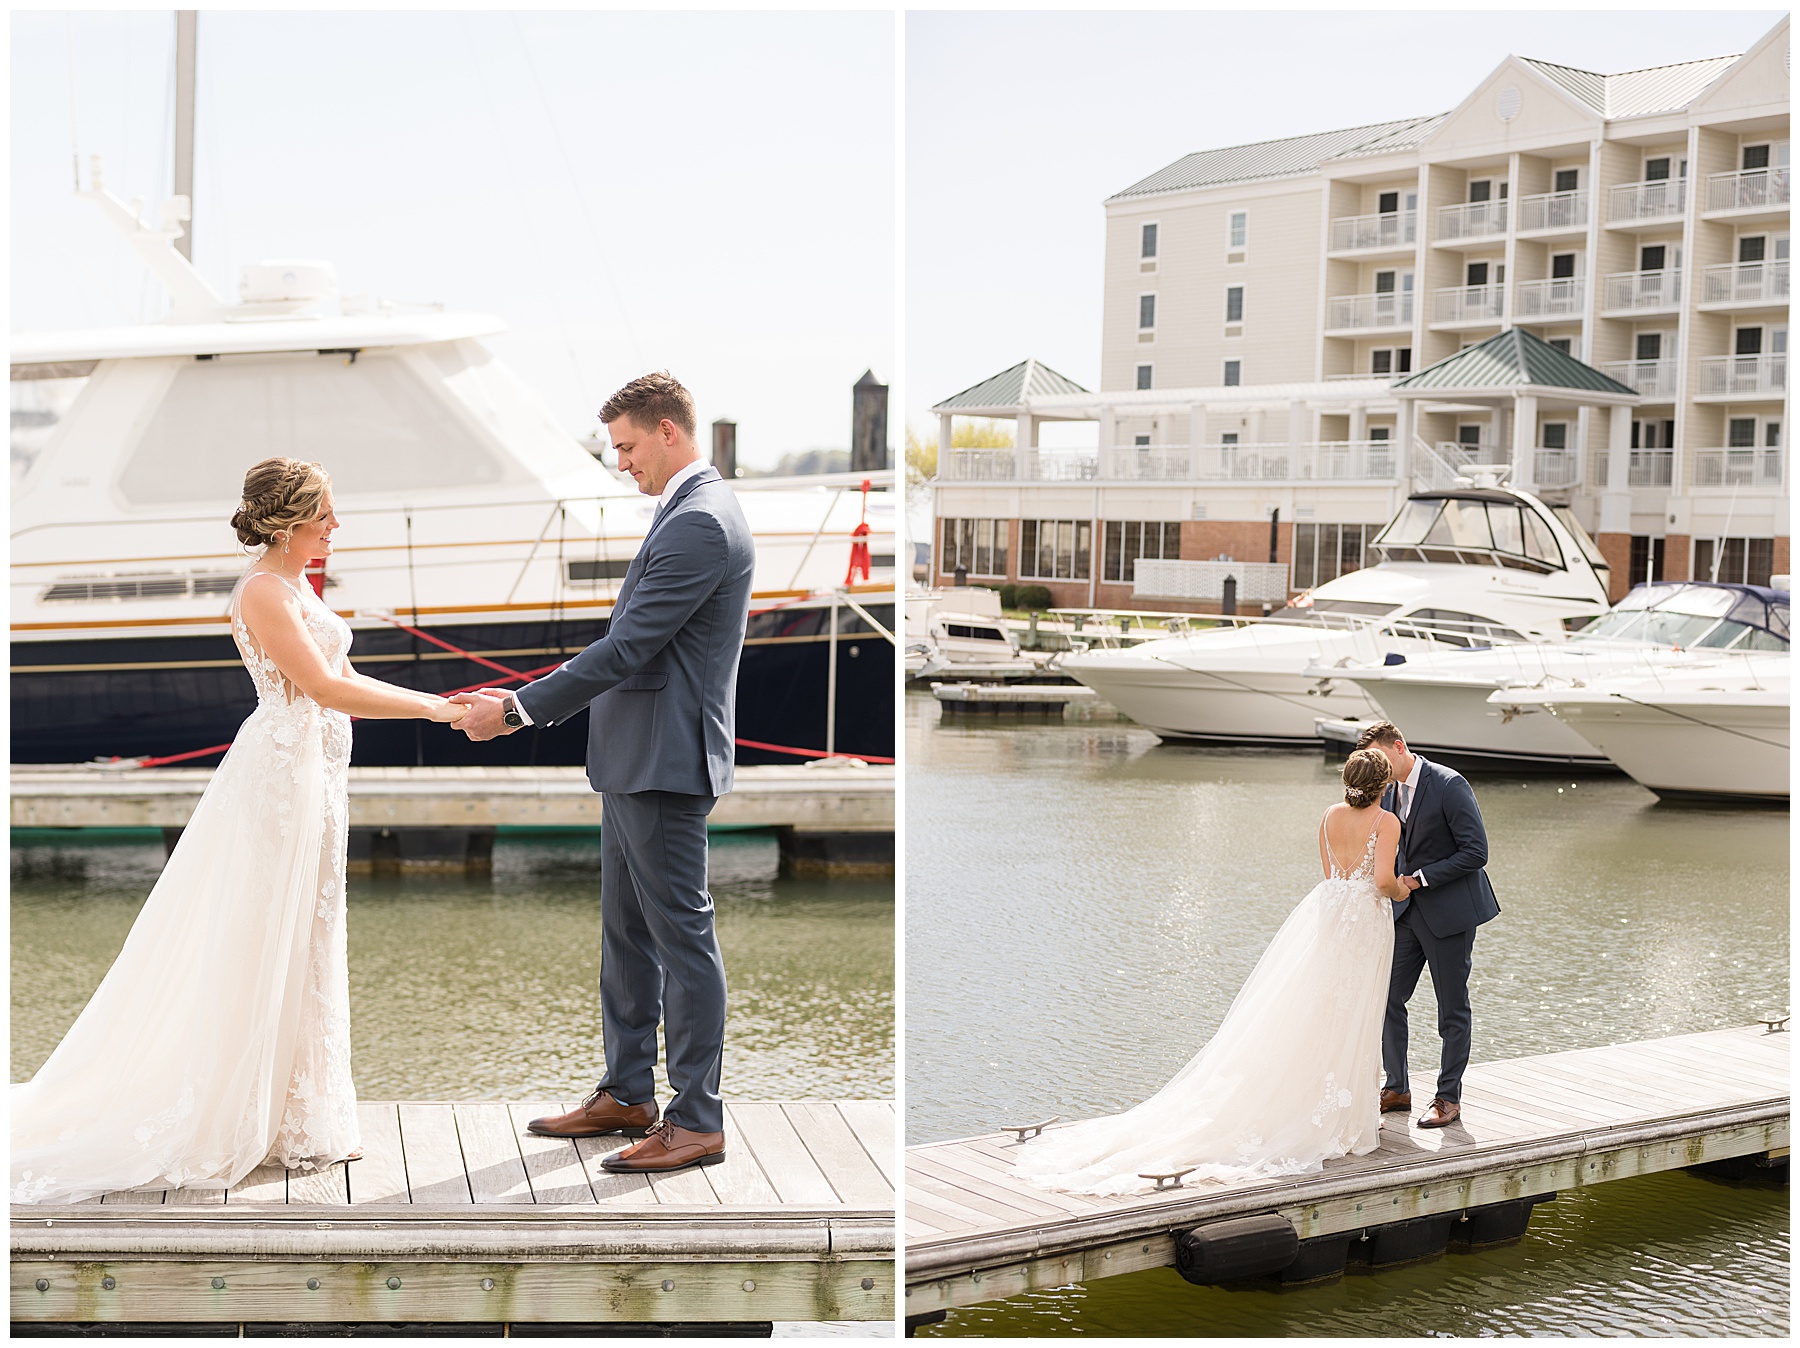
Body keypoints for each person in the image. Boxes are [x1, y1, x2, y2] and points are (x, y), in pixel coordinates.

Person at [11, 459, 468, 1204]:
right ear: (290, 521)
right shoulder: (262, 590)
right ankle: (243, 1116)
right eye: (326, 512)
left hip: (314, 777)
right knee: (267, 935)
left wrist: (436, 702)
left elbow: (334, 685)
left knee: (311, 937)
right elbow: (321, 688)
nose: (336, 525)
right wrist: (439, 709)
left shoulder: (295, 586)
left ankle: (299, 1116)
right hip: (281, 781)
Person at [452, 372, 755, 1175]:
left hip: (664, 759)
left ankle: (698, 1121)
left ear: (669, 432)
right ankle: (627, 1094)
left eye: (625, 446)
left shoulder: (701, 522)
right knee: (626, 937)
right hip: (635, 757)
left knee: (682, 941)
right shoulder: (685, 513)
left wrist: (518, 709)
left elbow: (629, 649)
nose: (619, 462)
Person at [1013, 749, 1411, 1196]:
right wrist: (1404, 886)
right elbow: (1380, 882)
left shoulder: (1329, 815)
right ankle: (1340, 1114)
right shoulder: (1386, 821)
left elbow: (1330, 873)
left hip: (1329, 910)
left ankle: (1320, 1099)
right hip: (1363, 919)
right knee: (1351, 1012)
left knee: (1316, 1008)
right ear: (1385, 785)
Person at [1355, 720, 1501, 1130]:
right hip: (1404, 913)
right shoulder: (1384, 789)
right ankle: (1397, 1088)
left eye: (1382, 760)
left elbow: (1476, 852)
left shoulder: (1450, 784)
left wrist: (1419, 877)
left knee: (1451, 1009)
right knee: (1386, 997)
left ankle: (1448, 1098)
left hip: (1449, 913)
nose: (1378, 770)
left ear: (1399, 747)